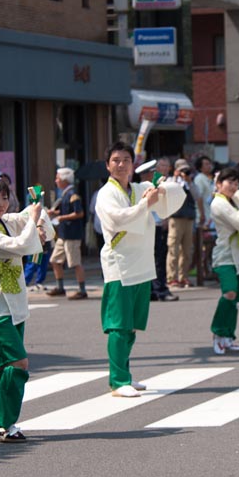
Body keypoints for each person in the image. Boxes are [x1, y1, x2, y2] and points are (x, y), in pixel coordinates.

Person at [0, 172, 54, 441]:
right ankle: (6, 423)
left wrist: (37, 214)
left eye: (4, 197)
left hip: (12, 306)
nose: (0, 203)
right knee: (18, 363)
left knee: (0, 366)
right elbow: (20, 245)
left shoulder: (3, 222)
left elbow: (30, 220)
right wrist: (34, 221)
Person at [95, 142, 184, 397]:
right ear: (108, 165)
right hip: (120, 266)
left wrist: (160, 189)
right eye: (116, 160)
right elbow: (117, 219)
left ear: (133, 164)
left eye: (126, 159)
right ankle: (117, 380)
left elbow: (175, 196)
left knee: (131, 326)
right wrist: (147, 204)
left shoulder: (139, 188)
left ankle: (125, 375)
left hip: (141, 265)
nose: (121, 164)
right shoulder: (106, 194)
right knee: (119, 325)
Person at [209, 167, 239, 355]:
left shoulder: (232, 199)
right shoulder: (218, 203)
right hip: (225, 256)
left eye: (236, 182)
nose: (233, 186)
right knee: (229, 293)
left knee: (234, 298)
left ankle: (228, 336)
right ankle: (218, 333)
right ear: (219, 184)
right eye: (229, 182)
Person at [46, 167, 88, 299]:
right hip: (64, 234)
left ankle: (82, 290)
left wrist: (61, 217)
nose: (56, 180)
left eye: (58, 178)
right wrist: (56, 213)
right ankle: (60, 287)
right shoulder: (65, 194)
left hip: (72, 234)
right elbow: (67, 211)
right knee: (55, 260)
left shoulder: (72, 194)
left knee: (75, 262)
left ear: (64, 180)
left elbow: (79, 213)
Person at [149, 159, 178, 302]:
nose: (165, 168)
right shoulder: (149, 186)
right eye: (162, 166)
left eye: (167, 166)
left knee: (159, 259)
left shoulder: (166, 184)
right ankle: (158, 289)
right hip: (153, 226)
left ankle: (156, 289)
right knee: (156, 260)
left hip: (160, 226)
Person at [167, 159, 197, 287]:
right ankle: (171, 277)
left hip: (188, 219)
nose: (184, 173)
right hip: (176, 218)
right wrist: (176, 178)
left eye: (186, 170)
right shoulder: (170, 181)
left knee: (187, 249)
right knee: (173, 248)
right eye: (182, 170)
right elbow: (168, 193)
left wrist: (189, 182)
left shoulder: (190, 183)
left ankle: (184, 276)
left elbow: (197, 196)